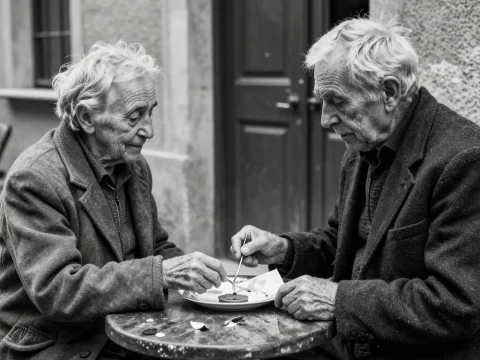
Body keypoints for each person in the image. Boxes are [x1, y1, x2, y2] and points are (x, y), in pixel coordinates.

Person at [231, 17, 480, 360]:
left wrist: (337, 300)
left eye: (337, 101)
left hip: (415, 351)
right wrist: (284, 250)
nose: (325, 119)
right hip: (357, 339)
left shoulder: (463, 159)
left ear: (389, 92)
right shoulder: (364, 145)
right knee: (244, 342)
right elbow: (341, 243)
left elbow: (456, 304)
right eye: (322, 101)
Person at [0, 40, 227, 360]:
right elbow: (59, 291)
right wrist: (162, 274)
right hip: (61, 343)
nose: (148, 130)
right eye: (134, 116)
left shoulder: (132, 163)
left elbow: (156, 247)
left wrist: (206, 277)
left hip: (126, 326)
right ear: (86, 117)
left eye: (151, 113)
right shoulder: (35, 179)